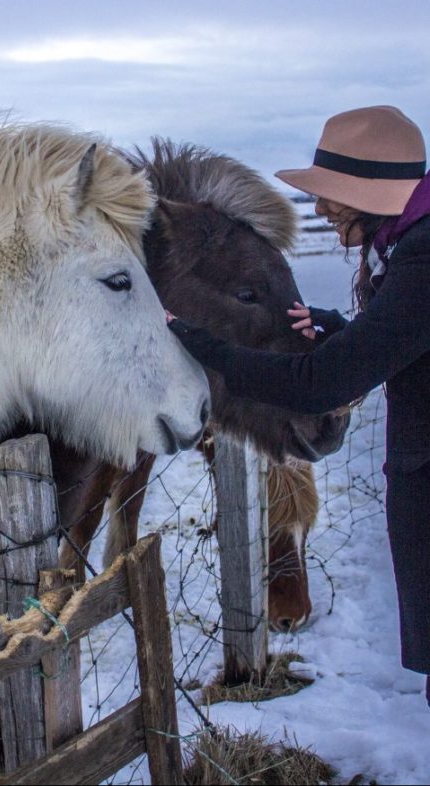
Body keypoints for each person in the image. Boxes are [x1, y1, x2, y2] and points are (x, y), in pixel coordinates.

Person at [166, 105, 430, 704]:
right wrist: (342, 326)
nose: (321, 210)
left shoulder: (423, 258)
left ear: (369, 190)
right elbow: (408, 336)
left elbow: (318, 387)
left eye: (331, 196)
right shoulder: (409, 246)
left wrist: (199, 341)